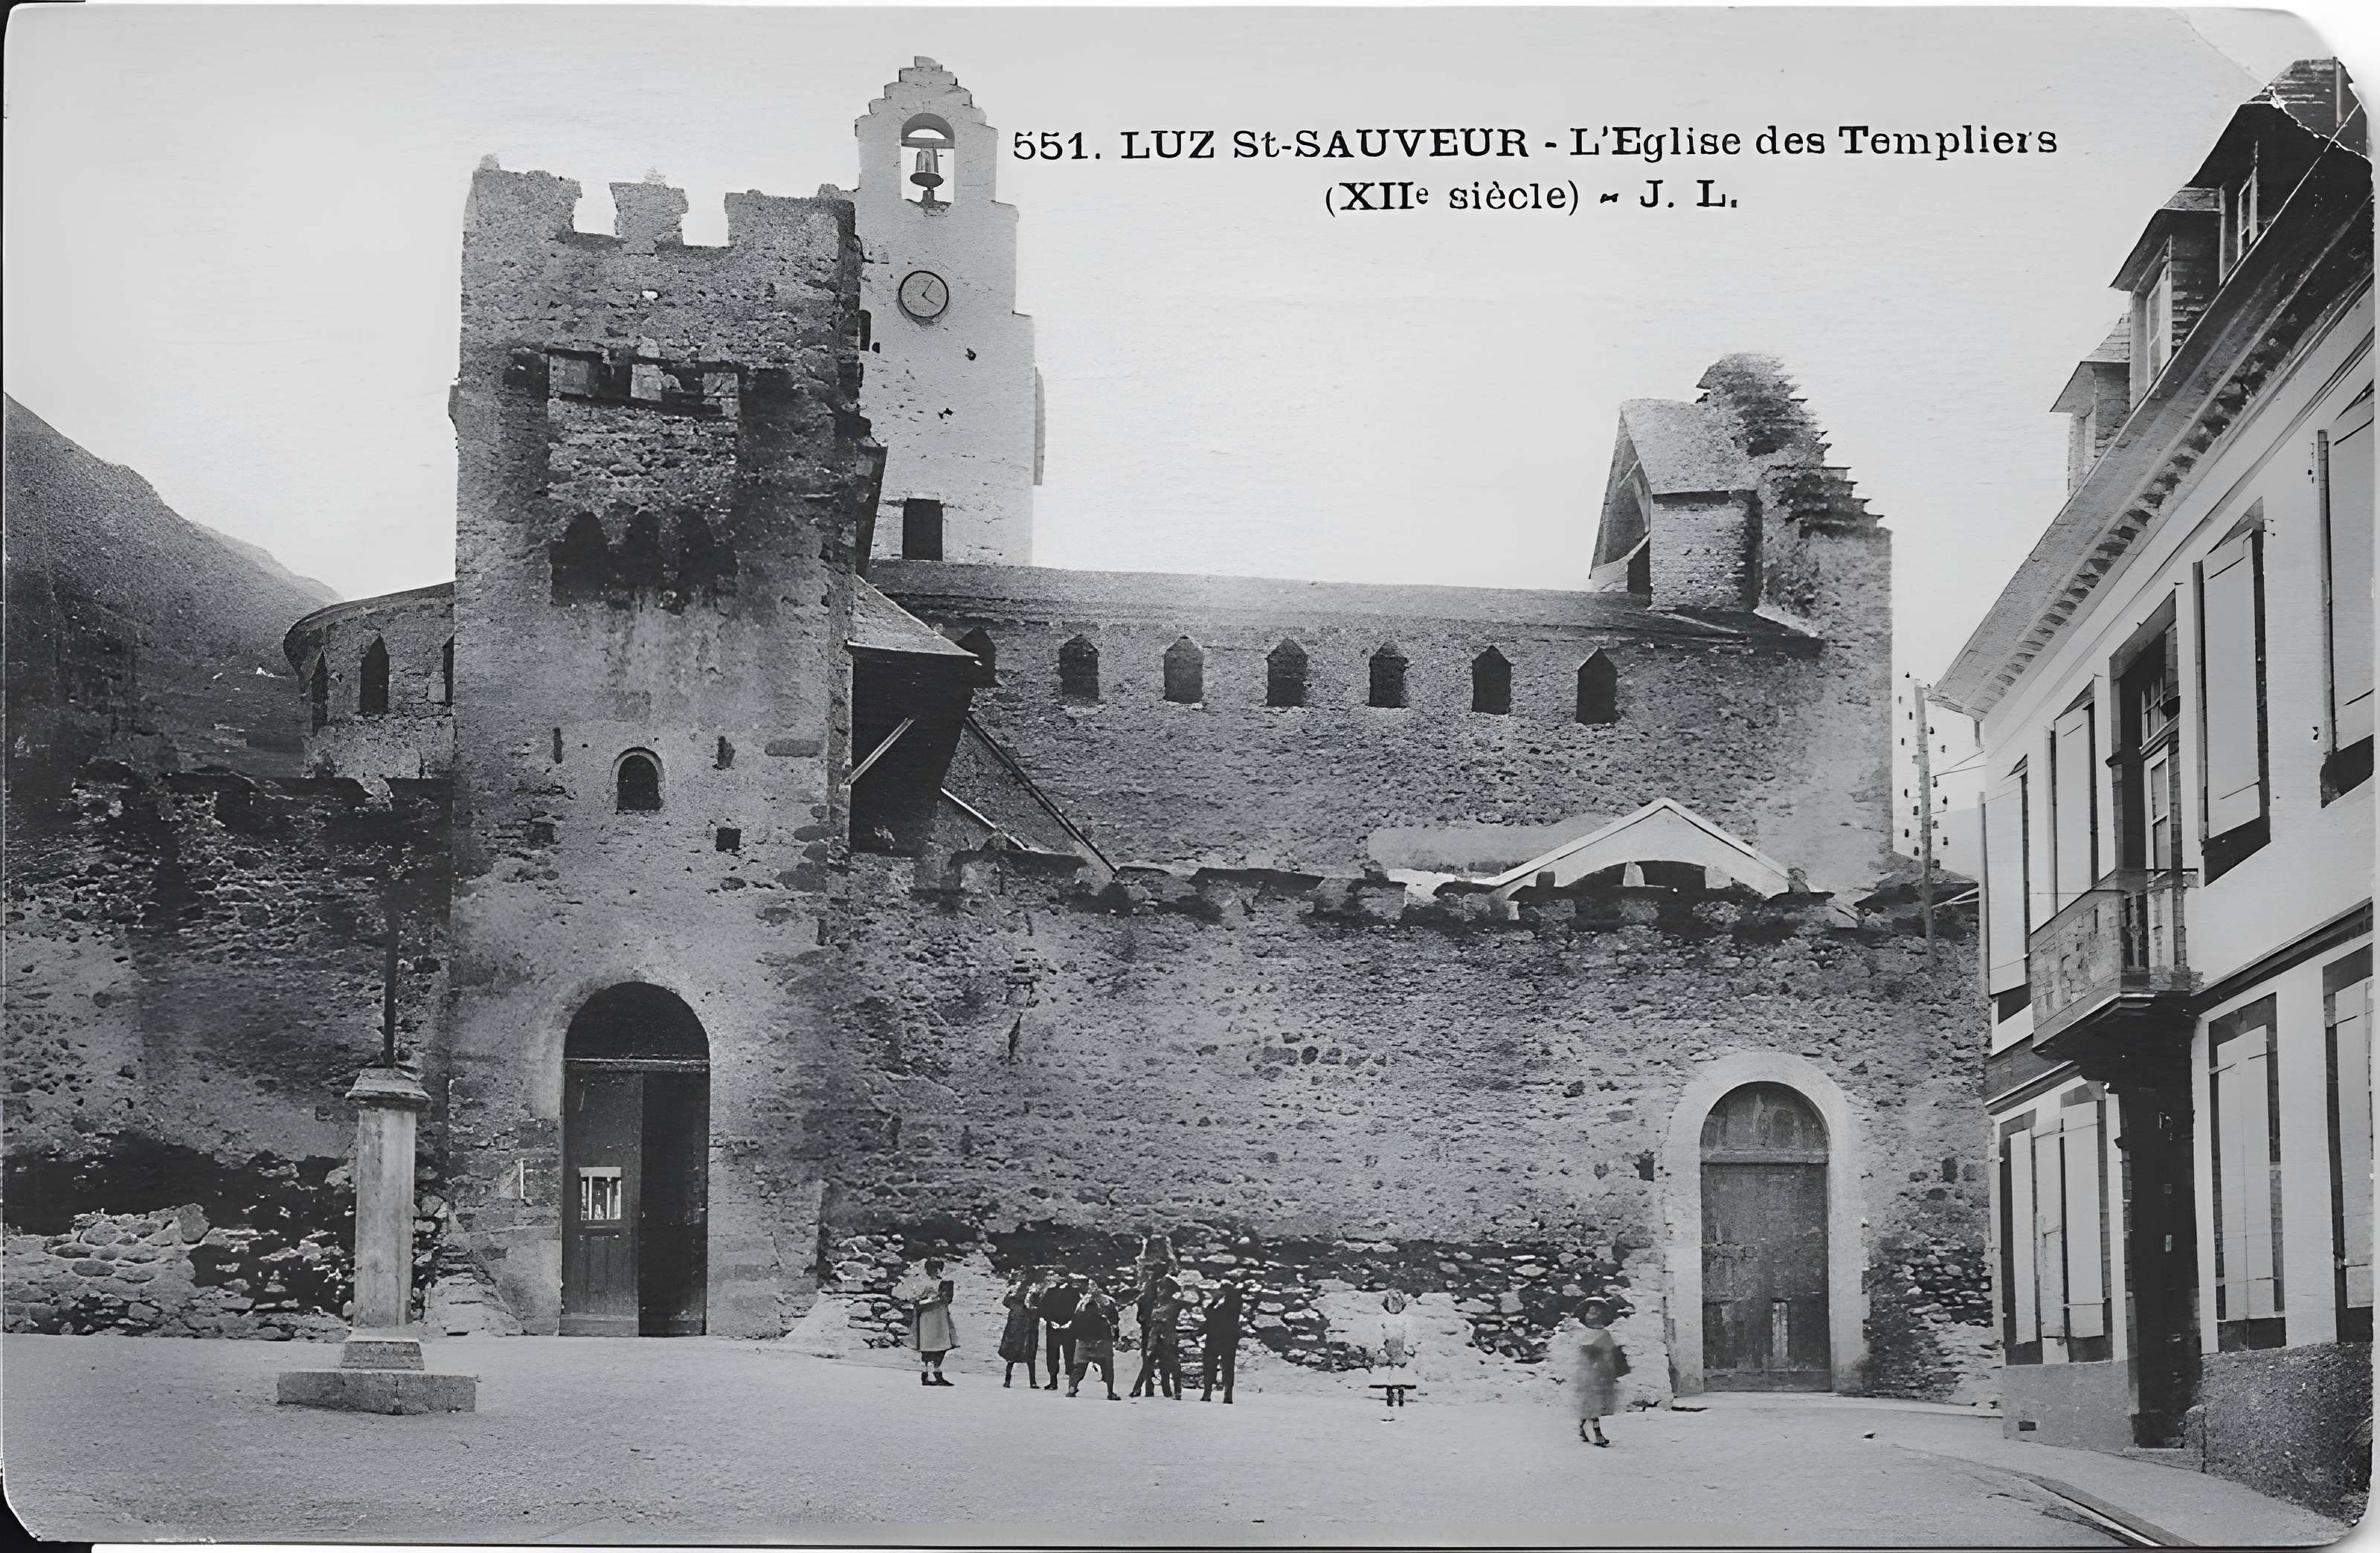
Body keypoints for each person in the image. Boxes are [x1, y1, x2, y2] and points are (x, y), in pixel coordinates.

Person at [1572, 1296, 1629, 1446]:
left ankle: (1585, 1428)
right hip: (1591, 1375)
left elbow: (1610, 1356)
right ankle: (1595, 1433)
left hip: (1601, 1375)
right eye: (1591, 1312)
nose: (1593, 1316)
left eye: (1597, 1313)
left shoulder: (1604, 1335)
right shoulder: (1586, 1334)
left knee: (1595, 1405)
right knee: (1593, 1406)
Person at [895, 1257, 957, 1387]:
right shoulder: (922, 1283)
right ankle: (926, 1374)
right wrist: (924, 1300)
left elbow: (947, 1299)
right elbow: (914, 1299)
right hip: (927, 1317)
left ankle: (937, 1373)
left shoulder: (945, 1283)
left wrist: (933, 1299)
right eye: (930, 1269)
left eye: (936, 1269)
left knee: (943, 1345)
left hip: (940, 1317)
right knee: (927, 1345)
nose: (933, 1272)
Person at [1130, 1272, 1184, 1399]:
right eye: (1160, 1289)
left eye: (1164, 1289)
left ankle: (1176, 1392)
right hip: (1156, 1339)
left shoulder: (1173, 1304)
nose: (1161, 1292)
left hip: (1167, 1339)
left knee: (1172, 1365)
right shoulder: (1157, 1303)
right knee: (1149, 1364)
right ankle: (1139, 1389)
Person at [1067, 1280, 1123, 1399]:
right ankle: (1110, 1392)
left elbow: (1074, 1323)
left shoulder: (1083, 1303)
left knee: (1079, 1368)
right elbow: (1114, 1321)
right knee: (1107, 1368)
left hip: (1084, 1343)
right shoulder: (1107, 1303)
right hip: (1101, 1342)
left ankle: (1072, 1388)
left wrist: (1078, 1337)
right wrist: (1114, 1337)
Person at [1367, 1288, 1418, 1416]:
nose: (1394, 1308)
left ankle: (1400, 1396)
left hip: (1400, 1349)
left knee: (1400, 1373)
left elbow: (1410, 1334)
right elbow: (1379, 1334)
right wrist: (1380, 1349)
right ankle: (1389, 1395)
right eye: (1392, 1304)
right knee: (1387, 1373)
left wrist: (1408, 1348)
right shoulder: (1383, 1319)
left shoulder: (1406, 1319)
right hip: (1388, 1348)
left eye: (1397, 1304)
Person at [1200, 1273, 1245, 1403]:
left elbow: (1212, 1315)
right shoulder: (1222, 1304)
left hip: (1224, 1338)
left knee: (1223, 1366)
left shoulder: (1232, 1302)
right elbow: (1209, 1315)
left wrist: (1215, 1302)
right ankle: (1212, 1393)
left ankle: (1224, 1395)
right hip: (1218, 1337)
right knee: (1217, 1366)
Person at [997, 1268, 1043, 1389]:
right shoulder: (1025, 1289)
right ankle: (1029, 1382)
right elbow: (1007, 1302)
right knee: (1022, 1354)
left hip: (1023, 1324)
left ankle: (1010, 1381)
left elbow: (1007, 1303)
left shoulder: (1033, 1290)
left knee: (1023, 1354)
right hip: (1020, 1324)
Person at [1038, 1271, 1081, 1389]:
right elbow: (1042, 1308)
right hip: (1053, 1329)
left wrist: (1070, 1323)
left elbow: (1079, 1310)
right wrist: (1050, 1321)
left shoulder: (1074, 1293)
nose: (1057, 1278)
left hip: (1069, 1330)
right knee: (1052, 1355)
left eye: (1060, 1276)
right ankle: (1053, 1382)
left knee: (1070, 1355)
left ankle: (1072, 1385)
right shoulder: (1050, 1293)